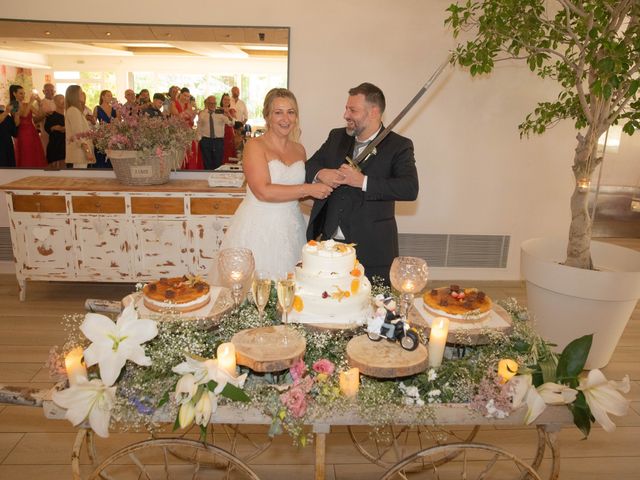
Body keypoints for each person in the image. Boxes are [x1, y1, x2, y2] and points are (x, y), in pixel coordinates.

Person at [305, 82, 419, 283]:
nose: (345, 115)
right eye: (346, 108)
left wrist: (363, 181)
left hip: (373, 248)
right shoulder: (336, 136)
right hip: (329, 246)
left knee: (374, 308)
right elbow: (309, 165)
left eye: (353, 110)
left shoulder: (399, 146)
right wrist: (322, 173)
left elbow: (409, 188)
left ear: (373, 112)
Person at [219, 88, 332, 275]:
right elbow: (263, 191)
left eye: (291, 112)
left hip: (291, 228)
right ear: (267, 116)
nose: (285, 119)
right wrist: (309, 188)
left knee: (292, 287)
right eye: (278, 112)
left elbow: (298, 196)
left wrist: (329, 200)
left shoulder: (299, 150)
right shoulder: (255, 146)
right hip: (259, 227)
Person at [9, 84, 46, 168]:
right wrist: (31, 102)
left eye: (24, 93)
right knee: (26, 152)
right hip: (22, 132)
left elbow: (40, 114)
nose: (23, 95)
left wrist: (40, 103)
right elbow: (25, 114)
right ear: (14, 94)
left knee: (35, 152)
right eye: (20, 93)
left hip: (32, 131)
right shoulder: (13, 105)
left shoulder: (27, 104)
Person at [197, 95, 233, 169]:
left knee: (218, 163)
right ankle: (207, 179)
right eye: (210, 103)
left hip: (218, 141)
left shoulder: (220, 112)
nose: (212, 105)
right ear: (207, 103)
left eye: (214, 103)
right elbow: (199, 127)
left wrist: (228, 115)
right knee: (207, 163)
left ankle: (217, 179)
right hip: (205, 141)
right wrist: (199, 139)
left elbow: (231, 123)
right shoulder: (202, 114)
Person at [64, 85, 95, 168]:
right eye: (81, 93)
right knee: (79, 179)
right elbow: (78, 134)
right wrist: (87, 151)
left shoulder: (75, 110)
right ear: (74, 95)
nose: (83, 94)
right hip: (79, 152)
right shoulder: (73, 110)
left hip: (81, 151)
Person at [92, 89, 117, 169]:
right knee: (101, 157)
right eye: (108, 95)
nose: (110, 97)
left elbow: (118, 121)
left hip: (112, 135)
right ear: (103, 97)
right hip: (101, 135)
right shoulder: (97, 108)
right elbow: (93, 122)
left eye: (111, 96)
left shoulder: (114, 108)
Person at [44, 94, 66, 168]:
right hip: (55, 145)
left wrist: (63, 128)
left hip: (66, 145)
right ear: (55, 102)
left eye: (64, 99)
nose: (63, 101)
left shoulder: (69, 115)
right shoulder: (51, 115)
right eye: (60, 99)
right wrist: (54, 128)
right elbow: (47, 128)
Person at [219, 93, 237, 164]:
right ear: (222, 100)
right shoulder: (218, 110)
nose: (226, 101)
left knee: (229, 150)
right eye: (225, 99)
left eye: (228, 100)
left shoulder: (232, 111)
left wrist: (228, 114)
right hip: (220, 133)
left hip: (229, 132)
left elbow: (235, 123)